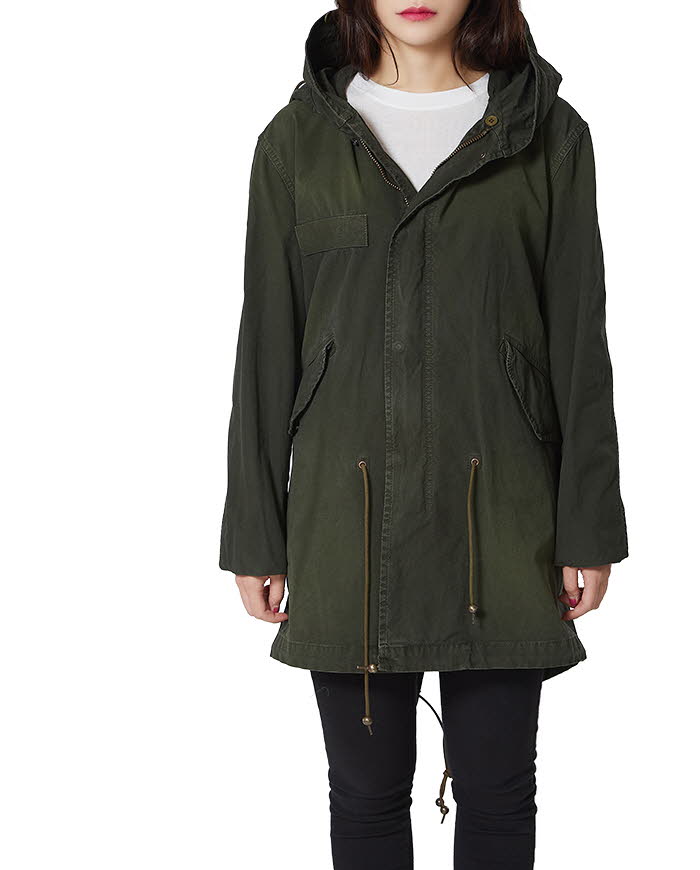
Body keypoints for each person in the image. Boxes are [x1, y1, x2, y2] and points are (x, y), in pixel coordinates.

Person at [219, 2, 628, 867]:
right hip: (346, 521)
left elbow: (578, 343)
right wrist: (256, 531)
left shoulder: (547, 134)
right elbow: (266, 347)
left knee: (498, 792)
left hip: (505, 519)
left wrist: (588, 526)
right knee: (364, 798)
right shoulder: (296, 142)